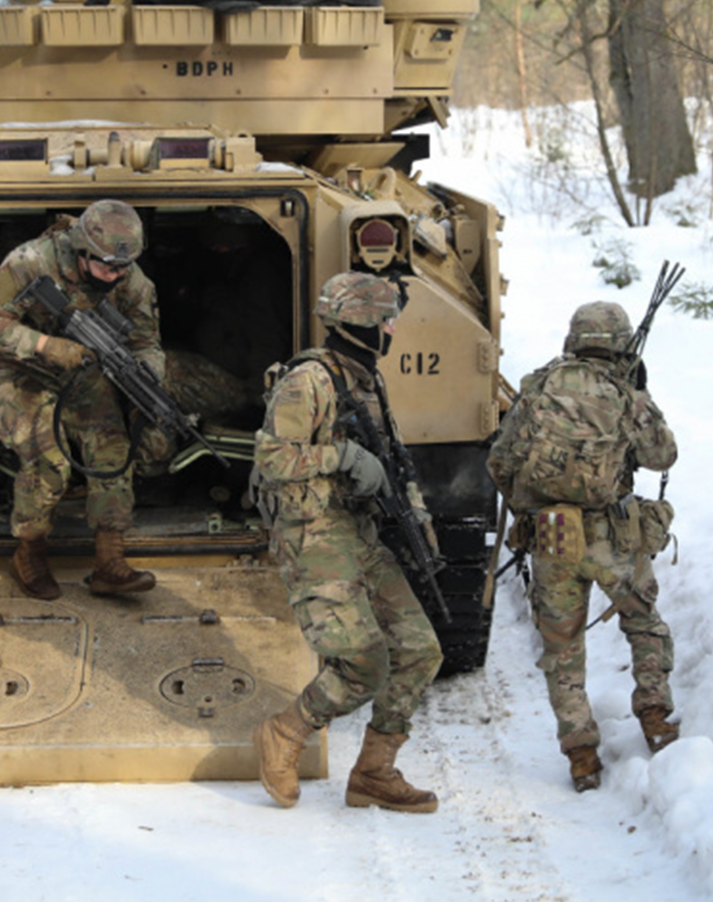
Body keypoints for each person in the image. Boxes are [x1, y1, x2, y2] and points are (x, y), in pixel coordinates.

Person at [250, 271, 444, 814]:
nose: (392, 330)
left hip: (357, 532)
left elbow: (391, 454)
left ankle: (374, 773)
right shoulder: (308, 380)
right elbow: (271, 459)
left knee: (420, 650)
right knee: (363, 663)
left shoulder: (366, 378)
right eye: (386, 321)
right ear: (361, 324)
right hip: (313, 535)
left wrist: (417, 516)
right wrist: (341, 458)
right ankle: (286, 733)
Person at [485, 301, 681, 792]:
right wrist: (640, 392)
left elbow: (499, 460)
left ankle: (581, 756)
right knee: (643, 623)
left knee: (562, 650)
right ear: (621, 344)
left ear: (574, 339)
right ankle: (655, 717)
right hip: (612, 536)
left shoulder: (539, 387)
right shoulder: (622, 392)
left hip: (552, 537)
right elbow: (663, 456)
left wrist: (534, 506)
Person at [0, 200, 162, 599]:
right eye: (107, 266)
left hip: (80, 366)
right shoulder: (30, 262)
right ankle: (29, 553)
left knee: (113, 449)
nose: (116, 275)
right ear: (82, 250)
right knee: (48, 458)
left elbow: (146, 342)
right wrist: (44, 344)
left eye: (123, 266)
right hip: (14, 366)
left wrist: (149, 381)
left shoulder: (131, 279)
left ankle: (110, 562)